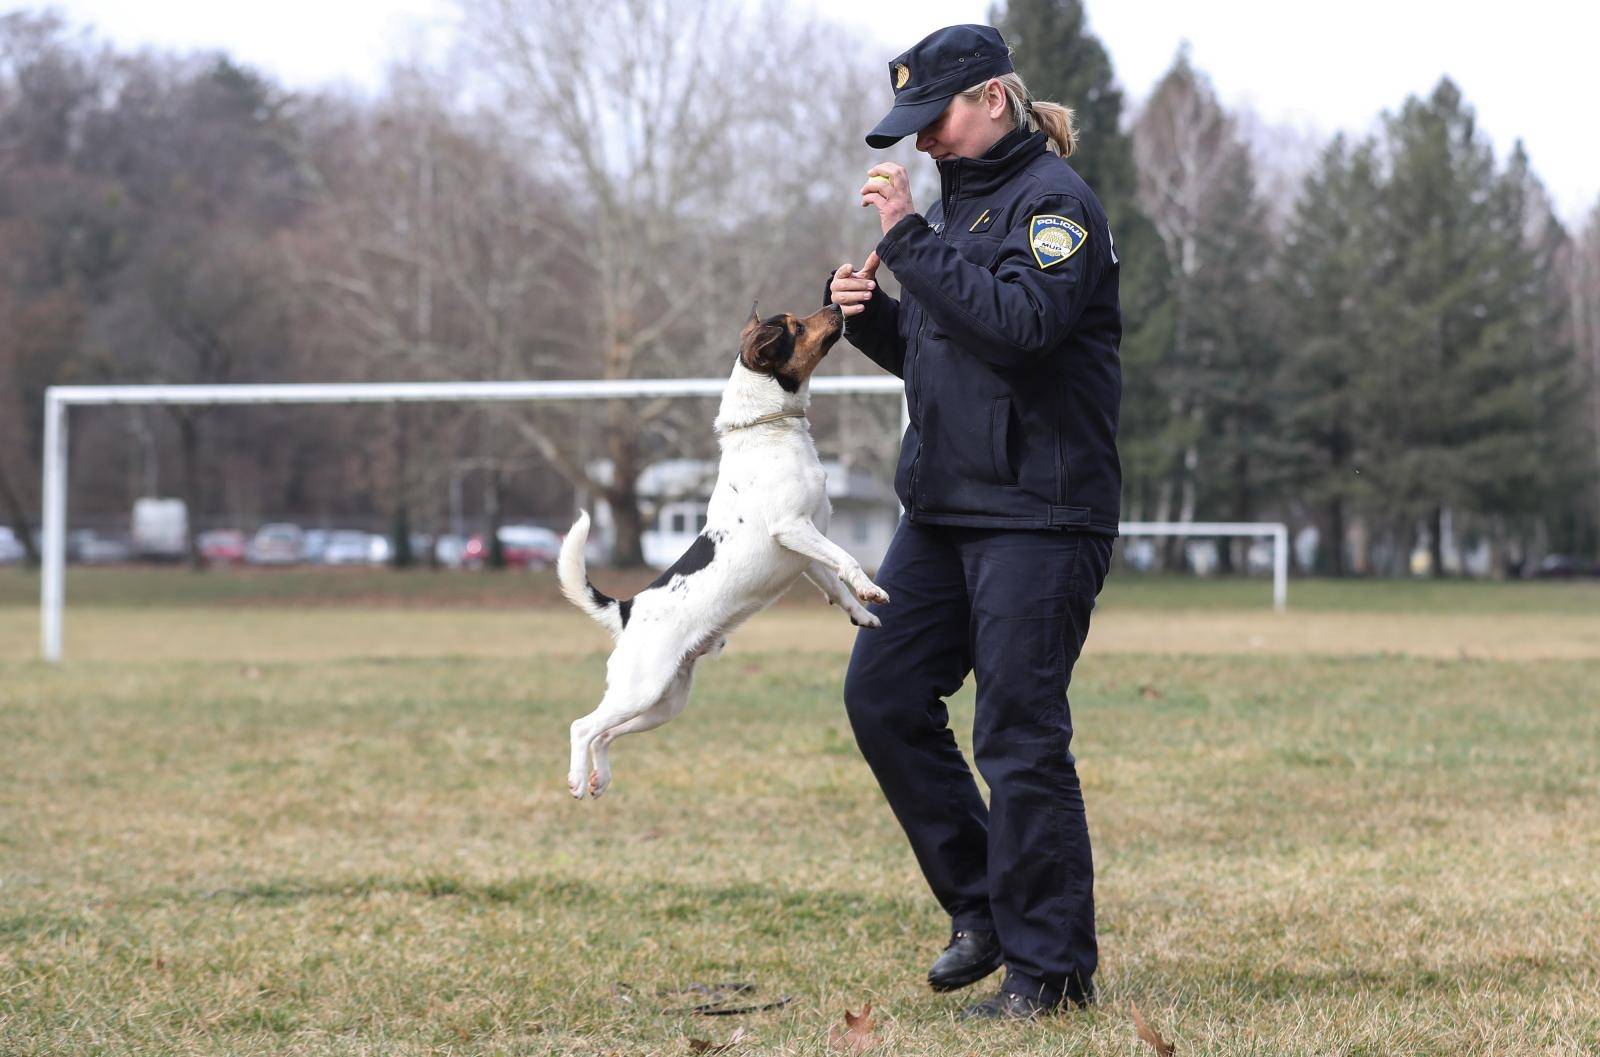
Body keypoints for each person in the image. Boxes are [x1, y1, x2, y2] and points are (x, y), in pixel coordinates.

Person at [825, 24, 1121, 1021]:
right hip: (946, 507)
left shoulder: (1056, 208)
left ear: (993, 98)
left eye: (934, 120)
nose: (924, 144)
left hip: (1039, 513)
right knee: (883, 693)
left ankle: (1052, 974)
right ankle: (987, 907)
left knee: (1019, 735)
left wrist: (906, 242)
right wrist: (872, 318)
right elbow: (952, 356)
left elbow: (1024, 330)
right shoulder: (959, 209)